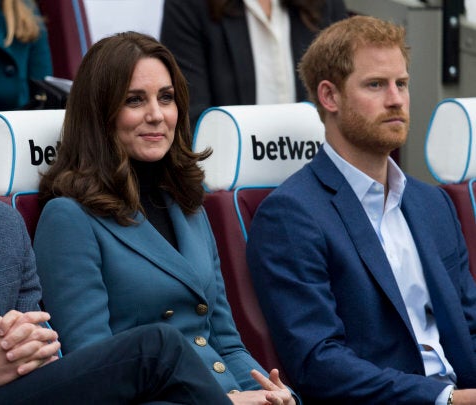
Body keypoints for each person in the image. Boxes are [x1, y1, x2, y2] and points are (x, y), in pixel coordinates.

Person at [0, 27, 236, 405]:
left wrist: (29, 344)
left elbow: (44, 339)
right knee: (158, 347)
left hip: (18, 392)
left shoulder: (1, 223)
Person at [33, 31, 296, 405]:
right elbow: (95, 378)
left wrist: (271, 395)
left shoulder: (188, 205)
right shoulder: (68, 218)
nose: (156, 115)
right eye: (134, 100)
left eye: (166, 98)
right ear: (100, 112)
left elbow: (225, 343)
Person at [246, 15, 476, 404]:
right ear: (329, 96)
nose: (396, 99)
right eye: (376, 85)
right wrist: (447, 399)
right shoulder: (289, 214)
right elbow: (319, 363)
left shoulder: (432, 203)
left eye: (401, 83)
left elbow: (470, 326)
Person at [160, 0, 348, 126]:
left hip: (315, 171)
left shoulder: (325, 3)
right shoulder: (190, 5)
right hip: (229, 175)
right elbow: (191, 115)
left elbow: (343, 102)